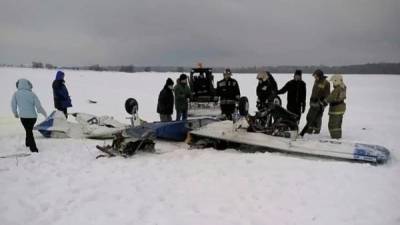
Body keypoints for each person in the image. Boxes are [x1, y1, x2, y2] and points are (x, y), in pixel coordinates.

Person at [11, 79, 47, 152]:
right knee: (29, 130)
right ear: (28, 85)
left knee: (28, 131)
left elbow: (13, 105)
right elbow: (39, 106)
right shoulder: (32, 94)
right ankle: (28, 143)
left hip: (23, 117)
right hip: (33, 117)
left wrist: (15, 113)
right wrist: (44, 114)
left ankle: (33, 148)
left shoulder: (16, 94)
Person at [305, 69, 331, 134]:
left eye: (316, 76)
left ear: (320, 76)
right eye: (314, 76)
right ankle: (309, 129)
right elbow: (314, 92)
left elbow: (328, 95)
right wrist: (311, 99)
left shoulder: (326, 83)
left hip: (320, 104)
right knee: (309, 116)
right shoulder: (316, 81)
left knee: (318, 118)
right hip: (313, 102)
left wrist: (324, 103)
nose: (315, 77)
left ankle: (317, 131)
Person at [324, 74, 346, 139]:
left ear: (337, 81)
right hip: (341, 107)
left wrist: (324, 102)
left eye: (333, 82)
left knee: (333, 124)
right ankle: (338, 136)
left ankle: (335, 137)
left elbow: (331, 97)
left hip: (336, 109)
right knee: (338, 124)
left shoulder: (337, 89)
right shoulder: (343, 87)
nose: (333, 83)